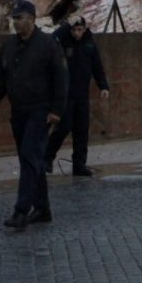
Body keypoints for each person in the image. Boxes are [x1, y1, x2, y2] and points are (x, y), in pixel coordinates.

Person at [0, 0, 68, 230]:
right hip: (19, 111)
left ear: (32, 18)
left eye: (20, 19)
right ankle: (42, 208)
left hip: (40, 111)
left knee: (30, 156)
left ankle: (21, 210)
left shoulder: (48, 44)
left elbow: (61, 78)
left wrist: (57, 110)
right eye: (14, 19)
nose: (16, 23)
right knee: (31, 159)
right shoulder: (9, 46)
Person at [46, 15, 109, 176]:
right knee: (64, 126)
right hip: (66, 94)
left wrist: (103, 86)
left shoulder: (89, 43)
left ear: (84, 29)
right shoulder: (64, 41)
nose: (76, 33)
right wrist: (67, 25)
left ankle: (79, 165)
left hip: (82, 94)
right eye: (74, 30)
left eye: (79, 30)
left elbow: (97, 65)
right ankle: (47, 157)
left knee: (82, 130)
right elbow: (53, 39)